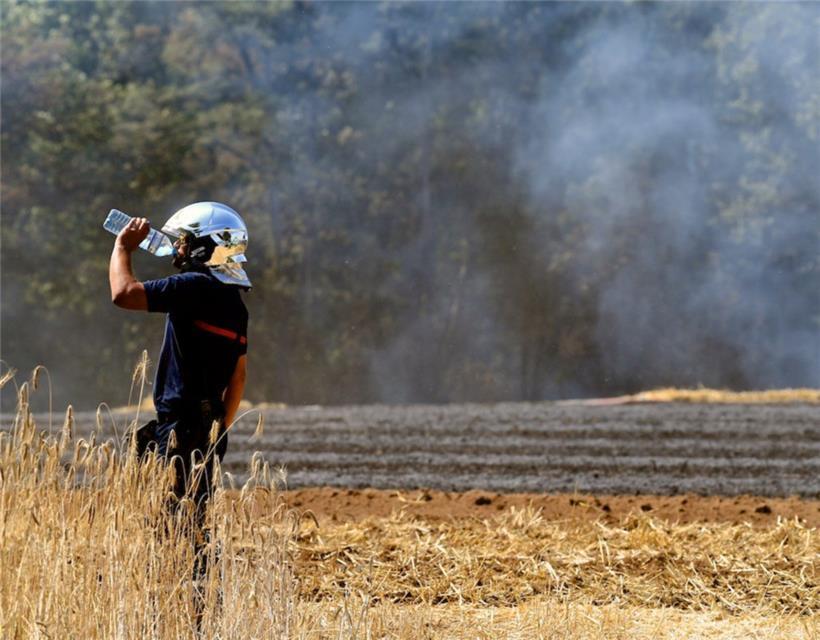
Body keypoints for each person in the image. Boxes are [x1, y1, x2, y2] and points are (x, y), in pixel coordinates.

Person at [108, 200, 250, 545]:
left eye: (185, 240)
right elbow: (239, 377)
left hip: (179, 427)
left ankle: (179, 590)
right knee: (191, 519)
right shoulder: (235, 303)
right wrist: (217, 430)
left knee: (170, 527)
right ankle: (197, 593)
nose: (177, 247)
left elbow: (124, 294)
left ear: (205, 247)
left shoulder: (192, 287)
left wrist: (122, 247)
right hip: (208, 426)